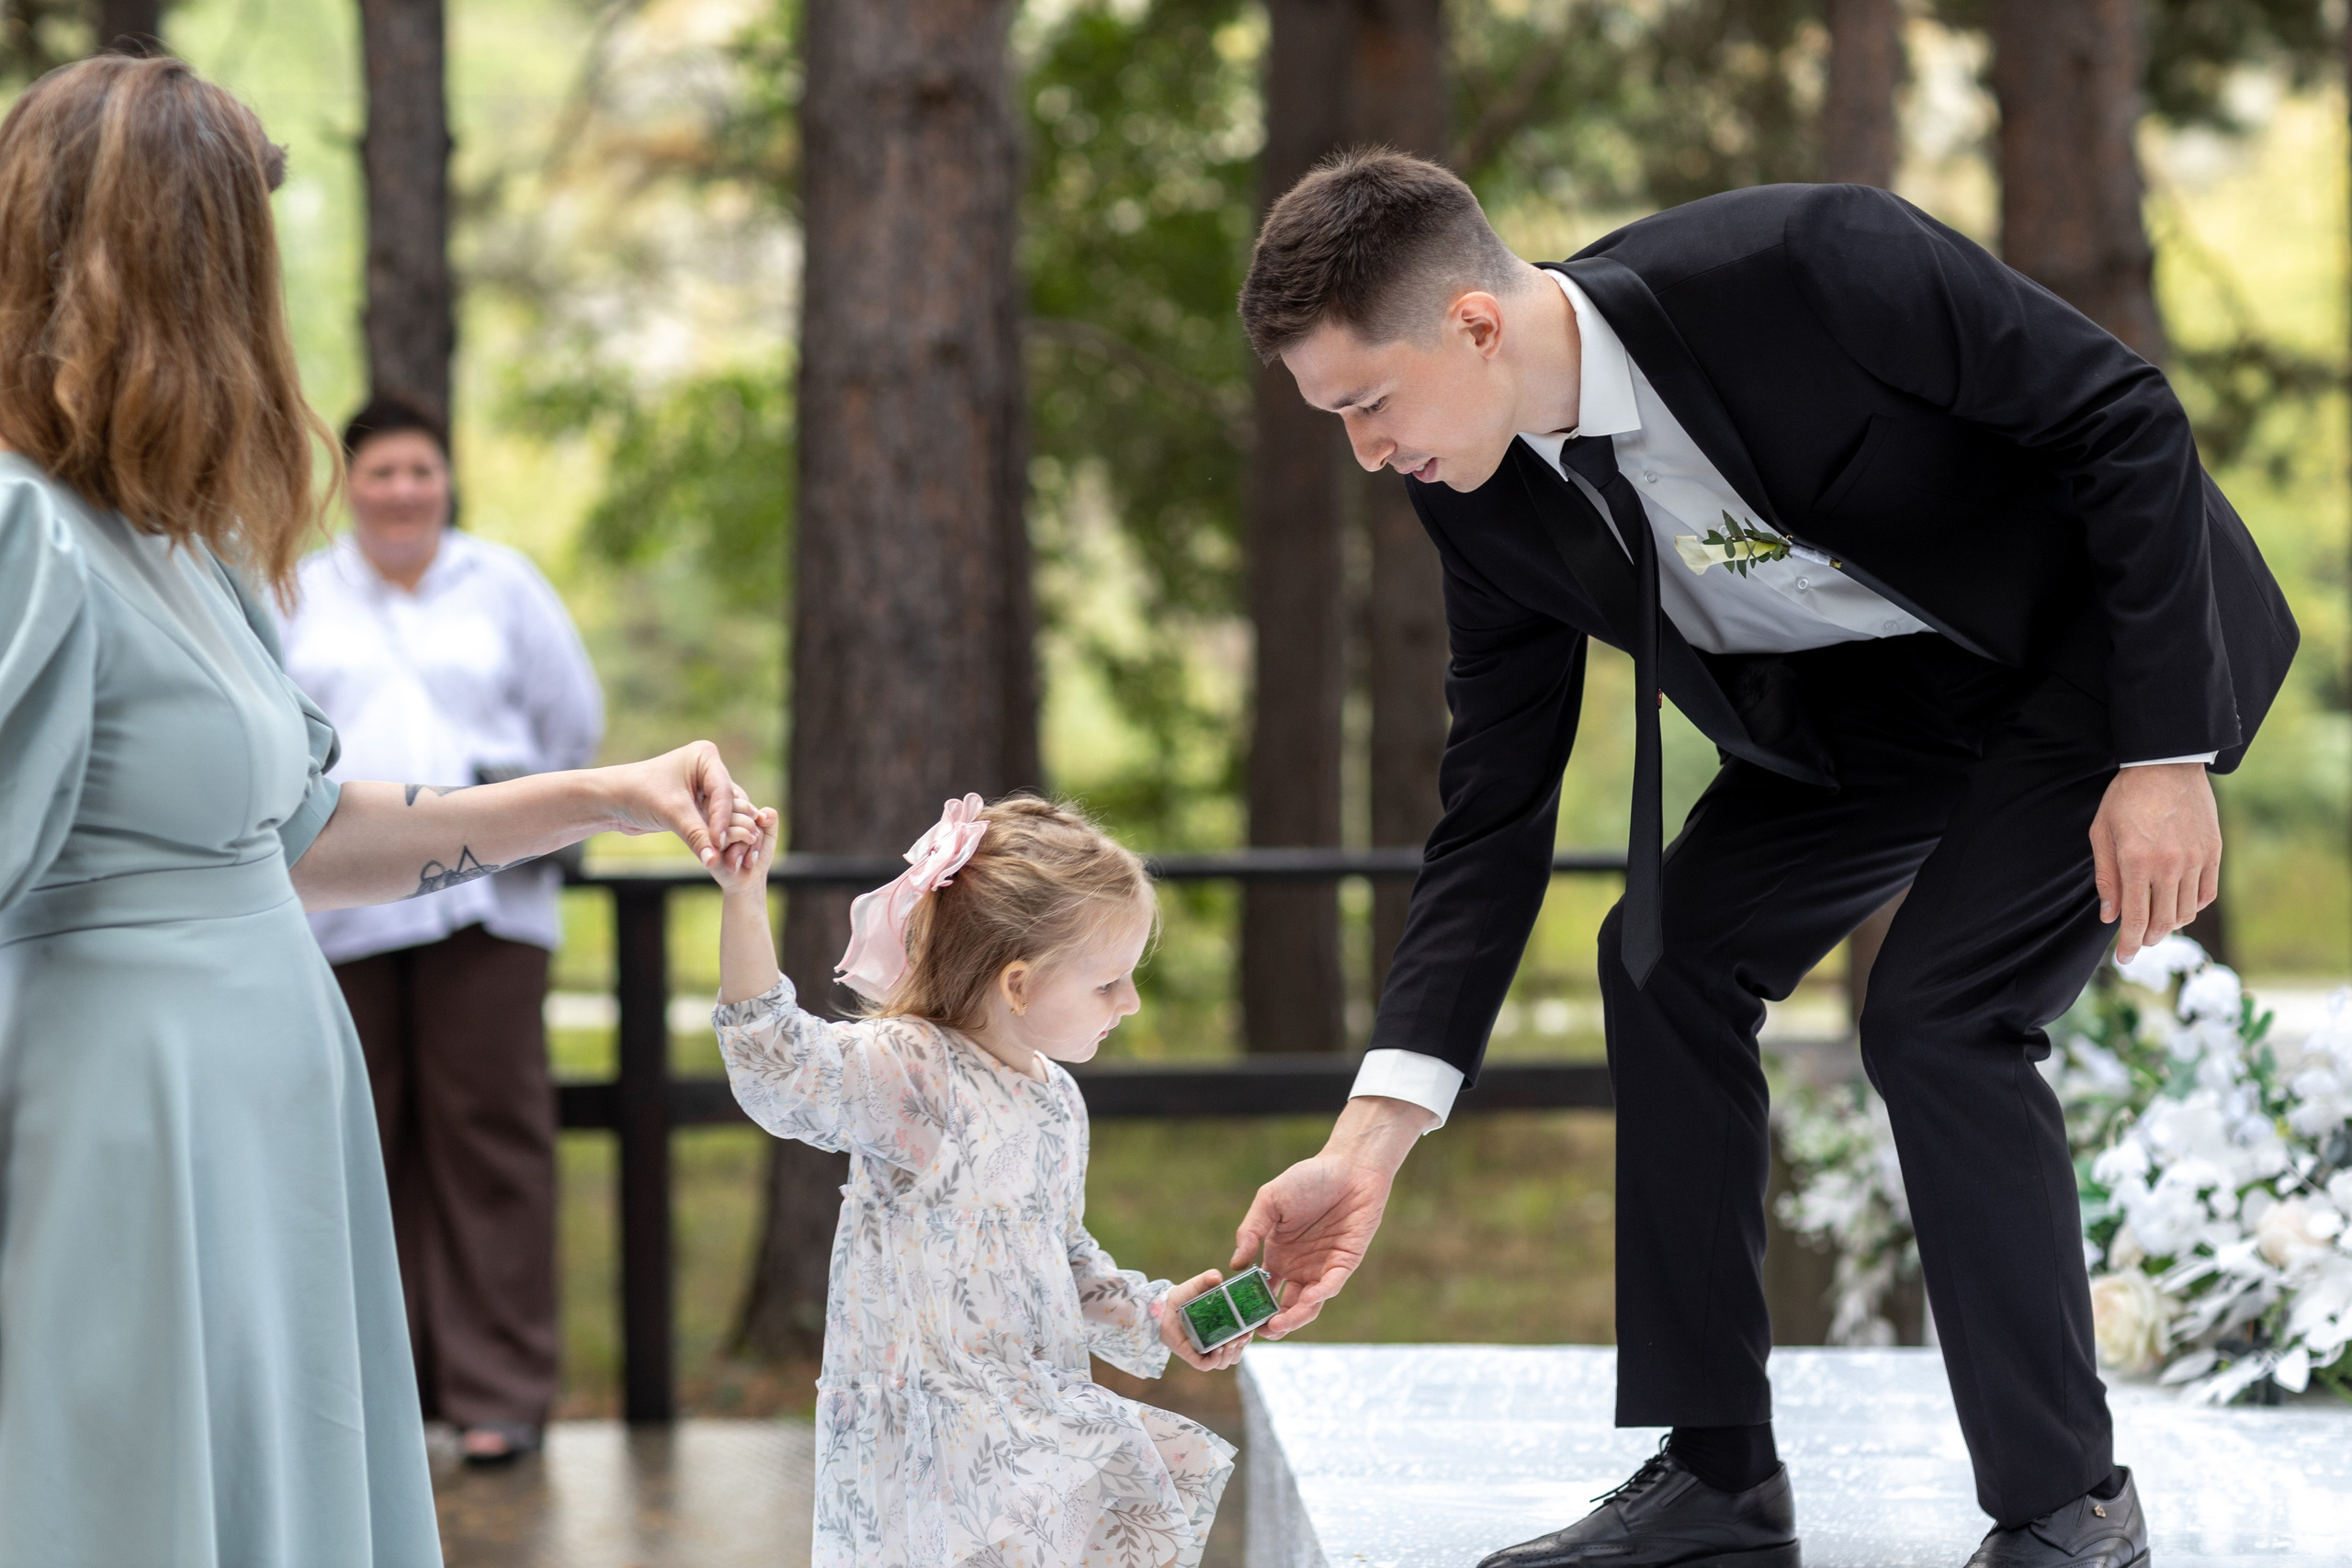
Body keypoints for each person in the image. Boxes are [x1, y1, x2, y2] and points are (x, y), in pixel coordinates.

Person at [1226, 152, 2298, 1568]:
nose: (1365, 452)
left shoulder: (1807, 265)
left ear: (1474, 324)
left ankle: (2068, 1507)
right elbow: (1493, 813)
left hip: (2093, 660)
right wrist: (1368, 1142)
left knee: (1939, 1012)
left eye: (1367, 402)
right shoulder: (1473, 491)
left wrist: (2163, 752)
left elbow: (2125, 417)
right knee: (1665, 955)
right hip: (1869, 718)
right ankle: (1718, 1481)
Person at [0, 55, 753, 1564]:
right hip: (129, 1138)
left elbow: (299, 835)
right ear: (175, 260)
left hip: (267, 1122)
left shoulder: (183, 544)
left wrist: (603, 794)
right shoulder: (27, 527)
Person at [709, 793, 1240, 1568]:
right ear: (1018, 984)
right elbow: (779, 1063)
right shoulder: (915, 1070)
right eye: (1108, 983)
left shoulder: (1057, 1099)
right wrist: (744, 897)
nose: (1129, 1003)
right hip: (928, 1437)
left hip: (1025, 1419)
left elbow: (1061, 1250)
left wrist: (1156, 1313)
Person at [278, 397, 605, 1463]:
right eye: (382, 473)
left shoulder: (502, 584)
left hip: (490, 909)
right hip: (338, 911)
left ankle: (498, 1394)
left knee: (492, 1142)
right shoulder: (302, 588)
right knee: (358, 1143)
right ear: (348, 485)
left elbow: (570, 723)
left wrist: (511, 815)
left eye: (422, 471)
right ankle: (377, 1398)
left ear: (446, 481)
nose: (404, 491)